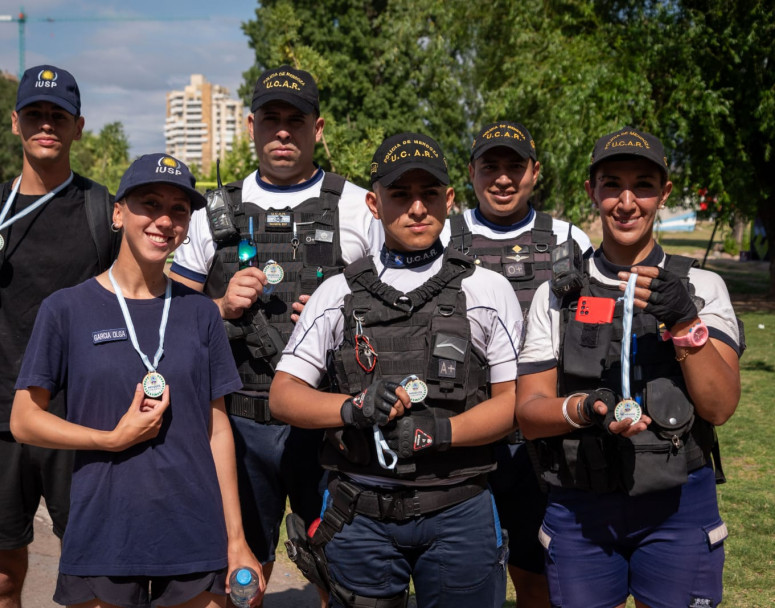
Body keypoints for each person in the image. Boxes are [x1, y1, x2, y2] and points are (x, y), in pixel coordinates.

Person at [269, 133, 523, 608]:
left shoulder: (488, 289)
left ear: (449, 199)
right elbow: (284, 396)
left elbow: (513, 405)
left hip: (459, 510)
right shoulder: (337, 293)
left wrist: (439, 433)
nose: (417, 208)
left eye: (429, 194)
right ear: (373, 201)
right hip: (360, 514)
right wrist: (353, 406)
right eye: (400, 194)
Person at [10, 153, 264, 608]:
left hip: (195, 532)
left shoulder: (202, 311)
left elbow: (218, 430)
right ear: (118, 211)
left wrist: (236, 540)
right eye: (149, 204)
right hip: (105, 531)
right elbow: (24, 420)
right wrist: (109, 439)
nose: (164, 220)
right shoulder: (66, 309)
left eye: (179, 210)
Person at [168, 65, 381, 603]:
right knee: (239, 575)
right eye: (271, 120)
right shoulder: (208, 214)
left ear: (318, 127)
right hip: (238, 426)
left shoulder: (360, 207)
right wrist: (218, 305)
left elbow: (401, 306)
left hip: (330, 423)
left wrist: (345, 311)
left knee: (341, 569)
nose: (283, 132)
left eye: (296, 120)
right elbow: (164, 317)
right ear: (250, 126)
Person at [515, 127, 742, 608]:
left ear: (664, 193)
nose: (626, 201)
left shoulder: (702, 286)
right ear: (591, 191)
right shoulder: (557, 294)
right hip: (582, 504)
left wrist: (685, 322)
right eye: (611, 183)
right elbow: (530, 414)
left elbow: (719, 406)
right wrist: (585, 407)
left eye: (642, 184)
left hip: (680, 502)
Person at [0, 64, 118, 606]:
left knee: (93, 577)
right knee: (1, 578)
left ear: (79, 127)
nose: (46, 125)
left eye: (58, 116)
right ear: (16, 122)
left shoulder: (103, 211)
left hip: (81, 416)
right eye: (35, 114)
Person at [444, 121, 593, 607]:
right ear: (472, 173)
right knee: (461, 575)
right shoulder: (444, 236)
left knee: (536, 574)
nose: (503, 178)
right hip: (465, 433)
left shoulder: (571, 241)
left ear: (535, 173)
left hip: (543, 439)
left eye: (515, 166)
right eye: (491, 166)